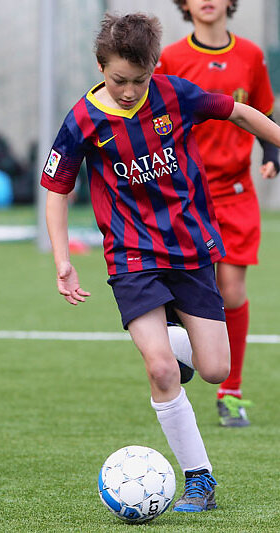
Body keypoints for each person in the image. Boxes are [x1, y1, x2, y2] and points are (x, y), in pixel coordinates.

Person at [41, 12, 280, 513]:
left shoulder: (176, 95)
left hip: (190, 249)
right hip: (132, 255)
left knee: (215, 369)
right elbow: (57, 191)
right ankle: (200, 479)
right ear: (100, 67)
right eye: (119, 80)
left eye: (140, 79)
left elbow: (241, 112)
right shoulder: (82, 120)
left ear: (154, 68)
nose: (130, 91)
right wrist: (63, 259)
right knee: (162, 371)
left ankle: (173, 342)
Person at [156, 0, 279, 428]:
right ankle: (177, 339)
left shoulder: (251, 55)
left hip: (235, 192)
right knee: (181, 284)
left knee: (232, 291)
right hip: (185, 194)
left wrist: (272, 151)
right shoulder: (171, 58)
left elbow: (261, 111)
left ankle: (231, 390)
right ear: (183, 5)